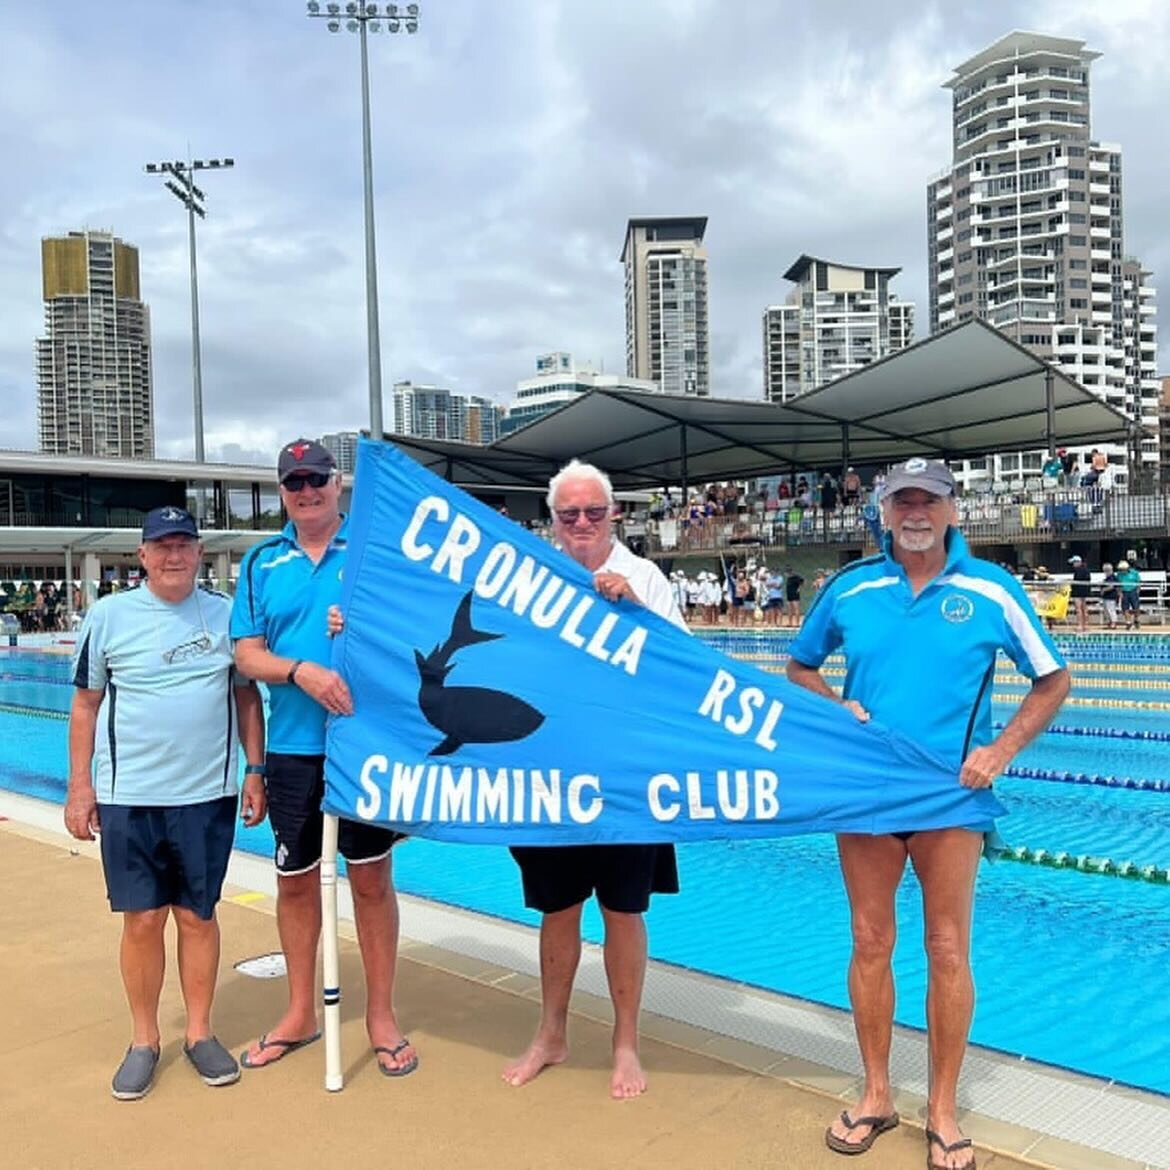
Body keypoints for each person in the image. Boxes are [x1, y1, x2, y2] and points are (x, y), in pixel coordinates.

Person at [785, 458, 1069, 1167]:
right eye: (901, 500)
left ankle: (942, 1106)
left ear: (951, 511)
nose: (915, 511)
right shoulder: (852, 588)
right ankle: (877, 1093)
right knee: (871, 942)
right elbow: (799, 666)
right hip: (868, 794)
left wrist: (999, 752)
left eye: (929, 500)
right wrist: (834, 707)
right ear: (882, 511)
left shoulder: (991, 589)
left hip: (950, 797)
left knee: (946, 949)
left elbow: (1054, 678)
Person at [64, 506, 267, 1100]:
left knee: (198, 916)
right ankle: (145, 1039)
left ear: (199, 552)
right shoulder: (108, 616)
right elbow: (84, 704)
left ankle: (200, 1033)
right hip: (131, 797)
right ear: (143, 555)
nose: (174, 555)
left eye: (184, 544)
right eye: (163, 546)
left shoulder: (226, 616)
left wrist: (254, 770)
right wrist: (81, 786)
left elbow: (247, 696)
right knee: (144, 919)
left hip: (206, 794)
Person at [231, 439, 416, 1077]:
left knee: (369, 879)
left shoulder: (371, 551)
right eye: (294, 482)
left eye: (317, 479)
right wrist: (302, 670)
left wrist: (361, 628)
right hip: (292, 753)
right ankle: (300, 1011)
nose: (306, 490)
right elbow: (247, 658)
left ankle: (382, 1016)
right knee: (295, 881)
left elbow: (414, 634)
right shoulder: (261, 562)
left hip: (363, 746)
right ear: (282, 491)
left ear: (337, 484)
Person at [503, 458, 687, 1099]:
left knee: (623, 910)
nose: (581, 522)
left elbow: (685, 672)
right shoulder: (526, 579)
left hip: (625, 779)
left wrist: (636, 611)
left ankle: (625, 1042)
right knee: (557, 909)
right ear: (552, 520)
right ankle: (551, 1032)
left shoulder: (646, 578)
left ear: (615, 515)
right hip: (549, 775)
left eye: (593, 511)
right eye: (568, 513)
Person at [1068, 555, 1092, 634]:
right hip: (1084, 592)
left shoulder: (1078, 570)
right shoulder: (1086, 569)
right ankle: (1086, 625)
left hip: (1078, 592)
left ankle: (1080, 625)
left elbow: (1077, 580)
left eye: (1074, 563)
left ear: (1078, 562)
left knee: (1079, 609)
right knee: (1084, 608)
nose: (1073, 565)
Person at [1117, 559, 1142, 629]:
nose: (1122, 571)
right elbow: (1118, 585)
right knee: (1125, 608)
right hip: (1124, 592)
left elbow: (1138, 582)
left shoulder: (1134, 573)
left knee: (1136, 607)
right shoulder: (1119, 575)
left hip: (1133, 591)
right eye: (1121, 569)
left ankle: (1136, 620)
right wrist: (1120, 593)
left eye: (1123, 569)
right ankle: (1128, 622)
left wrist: (1138, 590)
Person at [1099, 563, 1120, 630]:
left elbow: (1112, 586)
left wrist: (1104, 590)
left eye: (1106, 571)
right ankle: (1111, 622)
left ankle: (1113, 623)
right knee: (1107, 610)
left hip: (1111, 597)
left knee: (1111, 610)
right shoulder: (1108, 578)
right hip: (1107, 597)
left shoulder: (1112, 577)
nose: (1105, 572)